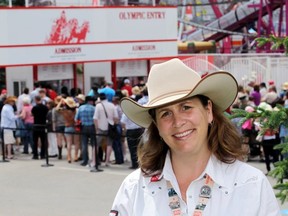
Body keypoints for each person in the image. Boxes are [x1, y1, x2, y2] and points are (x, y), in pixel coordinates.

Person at [111, 58, 281, 215]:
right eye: (165, 114)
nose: (178, 122)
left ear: (208, 111)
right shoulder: (134, 188)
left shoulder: (251, 184)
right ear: (156, 126)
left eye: (186, 107)